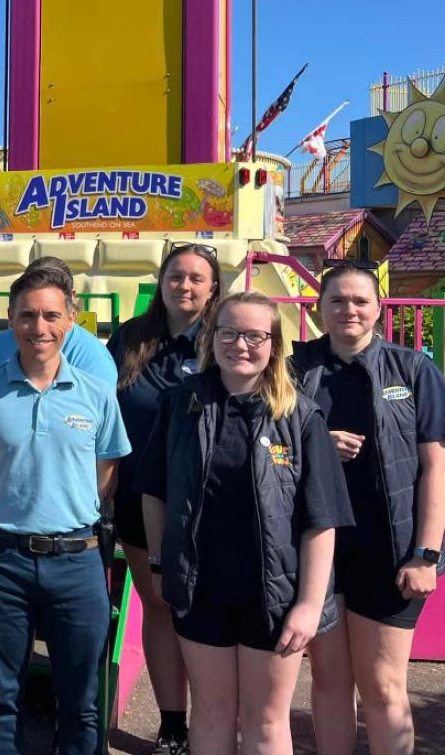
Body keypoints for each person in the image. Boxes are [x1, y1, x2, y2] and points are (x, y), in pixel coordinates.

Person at [138, 292, 353, 755]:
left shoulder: (301, 416)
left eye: (255, 335)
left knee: (267, 722)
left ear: (274, 345)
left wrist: (310, 604)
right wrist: (160, 564)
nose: (241, 344)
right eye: (229, 332)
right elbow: (153, 491)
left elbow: (322, 521)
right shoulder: (181, 404)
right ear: (212, 339)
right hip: (201, 592)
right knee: (211, 714)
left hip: (274, 597)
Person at [0, 267, 130, 755]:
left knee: (80, 701)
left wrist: (63, 503)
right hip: (1, 560)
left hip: (77, 561)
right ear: (9, 320)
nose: (40, 326)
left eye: (52, 315)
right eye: (27, 315)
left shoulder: (97, 394)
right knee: (1, 695)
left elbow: (106, 472)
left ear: (72, 320)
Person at [293, 263, 445, 755]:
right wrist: (315, 442)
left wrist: (427, 552)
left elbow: (435, 468)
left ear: (379, 309)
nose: (349, 310)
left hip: (392, 552)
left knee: (382, 685)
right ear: (320, 309)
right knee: (330, 681)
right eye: (337, 300)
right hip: (319, 555)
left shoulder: (414, 370)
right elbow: (266, 448)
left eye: (360, 300)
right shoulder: (296, 369)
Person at [106, 242, 222, 754]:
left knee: (204, 610)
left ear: (213, 286)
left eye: (198, 278)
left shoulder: (225, 338)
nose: (186, 286)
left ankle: (216, 722)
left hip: (212, 500)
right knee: (158, 606)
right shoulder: (131, 338)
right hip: (138, 496)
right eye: (177, 276)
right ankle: (173, 725)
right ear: (163, 280)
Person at [0, 256, 118, 387]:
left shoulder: (93, 358)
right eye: (28, 314)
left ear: (72, 297)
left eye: (51, 315)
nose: (39, 329)